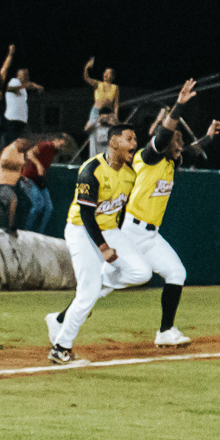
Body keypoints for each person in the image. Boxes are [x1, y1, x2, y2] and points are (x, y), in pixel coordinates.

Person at [121, 80, 220, 344]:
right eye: (177, 139)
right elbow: (164, 135)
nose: (181, 143)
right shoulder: (148, 157)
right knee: (105, 284)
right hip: (130, 232)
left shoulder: (169, 162)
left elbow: (193, 149)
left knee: (177, 272)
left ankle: (165, 332)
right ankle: (64, 319)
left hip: (151, 236)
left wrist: (209, 135)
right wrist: (179, 105)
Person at [46, 123, 148, 365]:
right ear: (113, 142)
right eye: (129, 138)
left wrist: (116, 241)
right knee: (88, 291)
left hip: (109, 229)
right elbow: (86, 214)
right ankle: (61, 348)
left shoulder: (130, 174)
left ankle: (63, 316)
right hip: (81, 229)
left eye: (135, 139)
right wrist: (103, 248)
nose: (134, 144)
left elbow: (119, 212)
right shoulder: (91, 169)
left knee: (141, 271)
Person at [19, 133, 69, 234]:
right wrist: (38, 165)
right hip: (28, 178)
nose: (62, 148)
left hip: (39, 180)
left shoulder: (54, 152)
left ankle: (40, 231)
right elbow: (29, 154)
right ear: (56, 140)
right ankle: (27, 230)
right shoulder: (45, 145)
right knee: (38, 205)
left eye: (64, 146)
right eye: (61, 145)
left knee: (49, 208)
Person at [0, 136, 30, 232]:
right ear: (18, 142)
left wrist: (22, 176)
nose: (25, 148)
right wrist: (19, 164)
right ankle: (10, 226)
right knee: (13, 200)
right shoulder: (9, 149)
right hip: (2, 182)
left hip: (12, 183)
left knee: (4, 205)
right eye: (24, 145)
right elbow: (5, 163)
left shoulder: (21, 152)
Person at [2, 65, 41, 144]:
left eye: (27, 76)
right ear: (18, 76)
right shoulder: (14, 82)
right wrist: (32, 85)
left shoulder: (23, 87)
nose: (26, 78)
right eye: (23, 76)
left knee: (25, 143)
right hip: (12, 120)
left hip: (22, 120)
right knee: (12, 143)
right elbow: (10, 89)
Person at [83, 58, 119, 124]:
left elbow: (116, 104)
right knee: (93, 129)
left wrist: (115, 115)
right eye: (105, 72)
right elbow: (86, 78)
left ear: (113, 77)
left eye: (109, 73)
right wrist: (86, 67)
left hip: (108, 113)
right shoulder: (98, 83)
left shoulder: (115, 87)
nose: (106, 74)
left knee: (107, 131)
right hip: (97, 111)